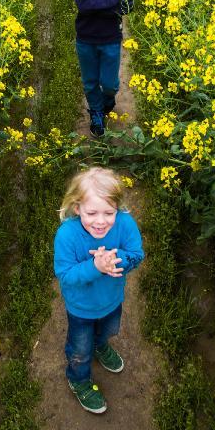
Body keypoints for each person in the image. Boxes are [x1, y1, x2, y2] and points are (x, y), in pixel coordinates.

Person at [54, 167, 144, 414]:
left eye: (109, 212)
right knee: (80, 349)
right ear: (77, 208)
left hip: (112, 300)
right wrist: (95, 267)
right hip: (80, 308)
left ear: (117, 208)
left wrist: (116, 260)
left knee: (107, 330)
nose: (101, 221)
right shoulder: (67, 235)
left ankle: (101, 346)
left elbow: (136, 255)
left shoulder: (125, 224)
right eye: (91, 212)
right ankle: (78, 379)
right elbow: (65, 275)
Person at [69, 0, 133, 137]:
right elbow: (83, 6)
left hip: (111, 38)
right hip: (85, 37)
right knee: (90, 82)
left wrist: (94, 0)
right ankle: (96, 112)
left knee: (110, 84)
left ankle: (106, 100)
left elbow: (127, 6)